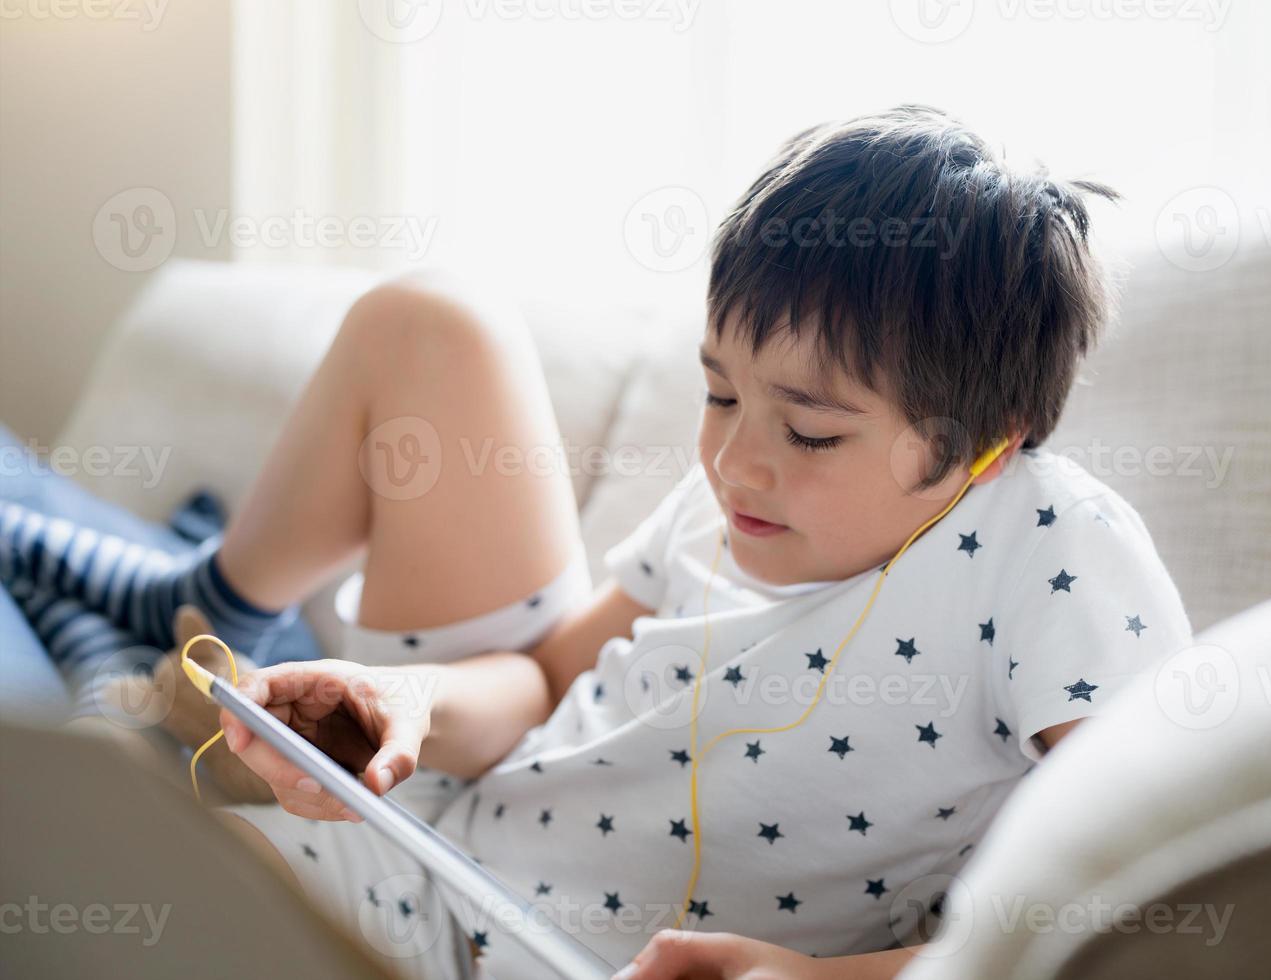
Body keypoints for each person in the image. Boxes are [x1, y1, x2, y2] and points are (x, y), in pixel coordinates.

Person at [1, 105, 1191, 979]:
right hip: (425, 850)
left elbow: (1143, 911)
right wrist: (404, 701)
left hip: (521, 954)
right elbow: (545, 678)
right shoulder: (733, 496)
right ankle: (180, 626)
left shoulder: (1052, 551)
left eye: (813, 431)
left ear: (985, 444)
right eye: (720, 395)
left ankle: (147, 650)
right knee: (71, 860)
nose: (734, 463)